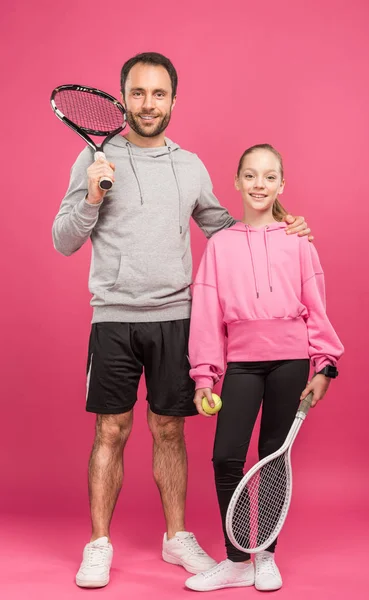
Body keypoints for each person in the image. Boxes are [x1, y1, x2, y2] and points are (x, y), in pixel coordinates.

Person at [52, 53, 312, 589]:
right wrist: (93, 196)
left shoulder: (189, 165)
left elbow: (221, 225)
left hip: (176, 318)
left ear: (173, 100)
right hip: (115, 318)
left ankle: (176, 538)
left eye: (160, 94)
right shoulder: (93, 160)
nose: (149, 104)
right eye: (139, 93)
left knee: (170, 431)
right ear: (123, 98)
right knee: (111, 431)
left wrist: (279, 225)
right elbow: (63, 240)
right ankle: (98, 545)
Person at [186, 143, 344, 592]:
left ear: (281, 185)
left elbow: (316, 306)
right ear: (236, 183)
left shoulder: (297, 240)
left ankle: (266, 555)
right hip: (242, 363)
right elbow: (206, 316)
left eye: (269, 177)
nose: (259, 184)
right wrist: (204, 376)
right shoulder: (219, 246)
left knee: (274, 458)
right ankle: (237, 559)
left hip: (292, 362)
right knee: (226, 457)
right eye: (251, 176)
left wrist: (323, 365)